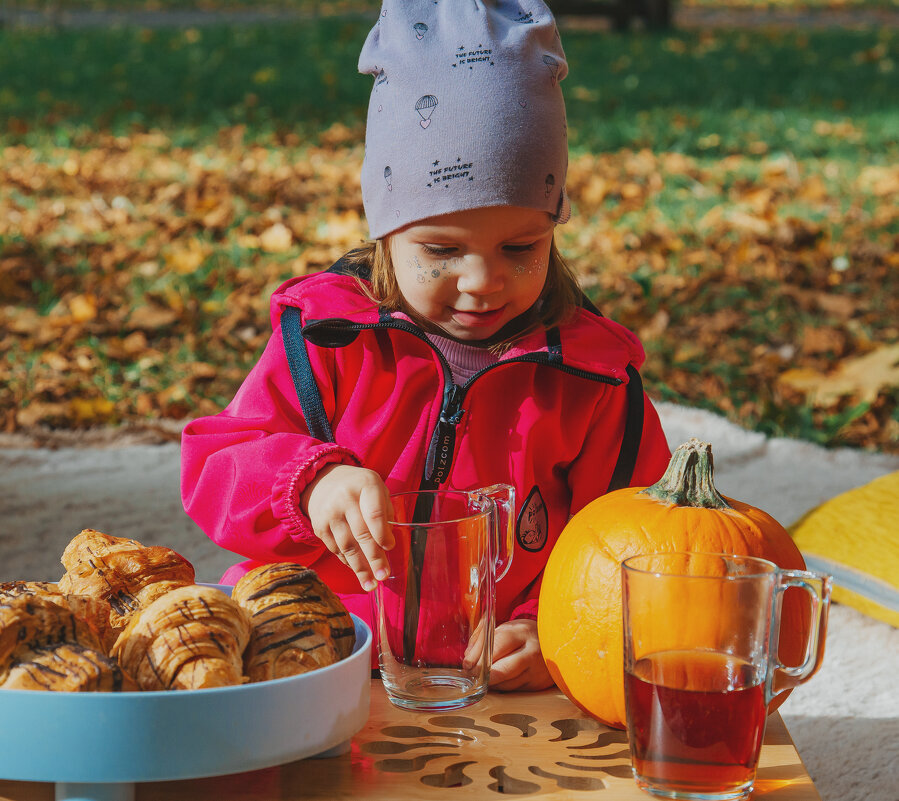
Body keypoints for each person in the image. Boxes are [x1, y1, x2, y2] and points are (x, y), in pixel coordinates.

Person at [181, 0, 671, 692]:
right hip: (313, 657)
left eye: (519, 246)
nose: (482, 280)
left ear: (553, 228)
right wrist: (309, 480)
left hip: (491, 681)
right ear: (385, 233)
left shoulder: (591, 381)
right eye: (440, 248)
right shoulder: (328, 338)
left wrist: (547, 626)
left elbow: (628, 544)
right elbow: (215, 468)